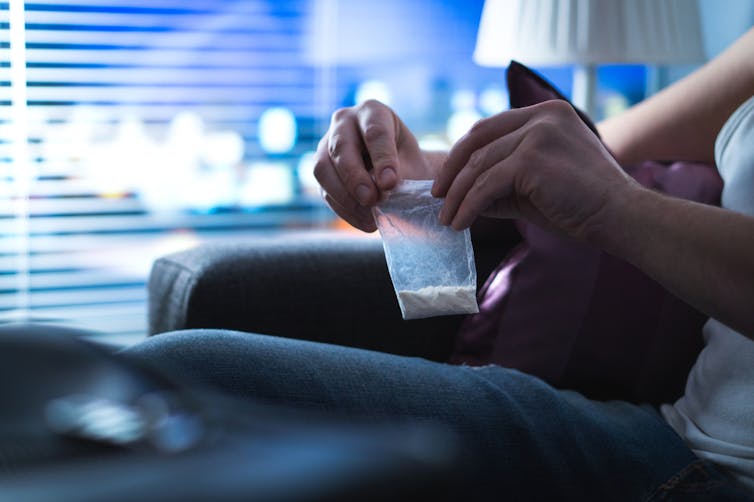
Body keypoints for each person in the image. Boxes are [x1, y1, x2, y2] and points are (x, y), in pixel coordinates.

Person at [123, 27, 754, 500]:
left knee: (178, 389)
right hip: (670, 440)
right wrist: (417, 173)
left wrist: (619, 208)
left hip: (717, 476)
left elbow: (608, 191)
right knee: (171, 379)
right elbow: (601, 156)